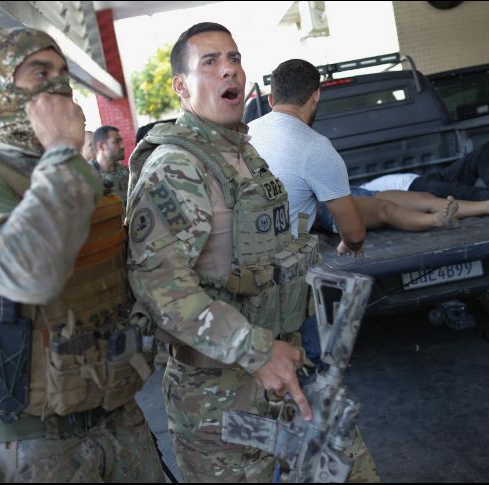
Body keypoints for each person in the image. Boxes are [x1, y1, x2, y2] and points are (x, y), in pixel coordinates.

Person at [0, 27, 162, 482]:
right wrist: (62, 150)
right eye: (39, 72)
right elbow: (30, 272)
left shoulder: (64, 172)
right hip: (35, 444)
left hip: (118, 418)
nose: (58, 86)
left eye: (62, 73)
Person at [126, 22, 379, 482]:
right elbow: (159, 287)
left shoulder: (242, 150)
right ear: (181, 87)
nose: (229, 71)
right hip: (220, 399)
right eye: (211, 62)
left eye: (235, 59)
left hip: (285, 369)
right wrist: (255, 351)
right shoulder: (177, 166)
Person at [248, 59, 489, 244]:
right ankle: (450, 215)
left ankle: (485, 207)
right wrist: (350, 243)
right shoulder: (314, 146)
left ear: (271, 99)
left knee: (412, 199)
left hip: (273, 239)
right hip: (319, 212)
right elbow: (354, 232)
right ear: (316, 95)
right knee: (390, 207)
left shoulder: (245, 134)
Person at [90, 125, 130, 206]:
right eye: (116, 142)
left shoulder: (127, 172)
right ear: (101, 146)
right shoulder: (88, 176)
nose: (122, 146)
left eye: (121, 141)